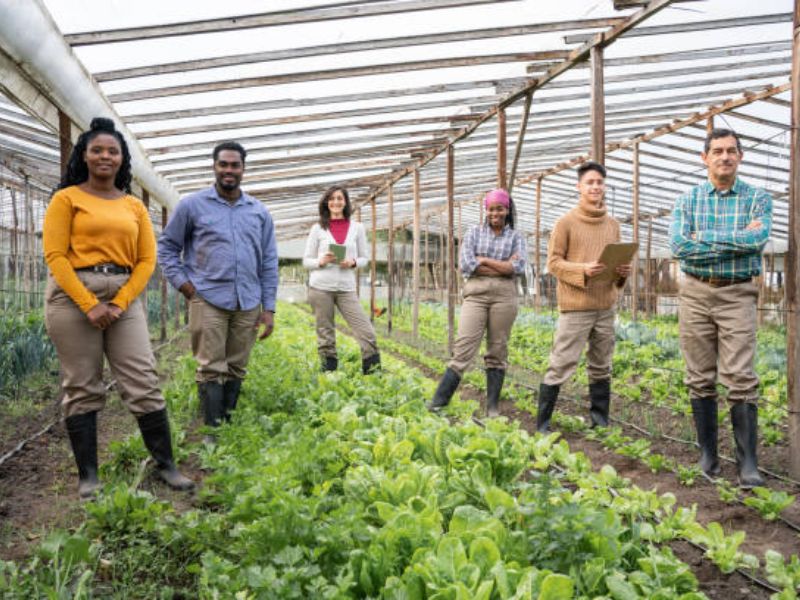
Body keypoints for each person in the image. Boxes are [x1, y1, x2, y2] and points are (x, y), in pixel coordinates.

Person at [43, 117, 194, 498]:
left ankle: (167, 466)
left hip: (123, 293)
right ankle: (89, 477)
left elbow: (146, 260)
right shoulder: (66, 199)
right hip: (74, 294)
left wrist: (120, 302)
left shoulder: (134, 206)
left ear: (122, 158)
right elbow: (56, 257)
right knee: (81, 384)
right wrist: (90, 304)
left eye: (113, 151)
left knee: (143, 380)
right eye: (98, 150)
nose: (105, 156)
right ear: (85, 155)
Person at [669, 128, 771, 488]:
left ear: (740, 157)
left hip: (738, 293)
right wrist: (736, 240)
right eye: (717, 151)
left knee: (741, 376)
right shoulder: (688, 201)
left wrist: (705, 238)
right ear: (705, 158)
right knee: (699, 376)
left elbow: (757, 240)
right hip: (695, 292)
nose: (724, 156)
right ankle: (708, 455)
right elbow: (680, 247)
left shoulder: (757, 199)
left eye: (731, 151)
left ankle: (748, 464)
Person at [158, 141, 278, 441]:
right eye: (223, 164)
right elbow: (167, 248)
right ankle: (212, 432)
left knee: (237, 365)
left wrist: (269, 307)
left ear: (243, 169)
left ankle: (227, 423)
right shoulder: (192, 205)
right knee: (211, 366)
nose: (229, 170)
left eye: (234, 165)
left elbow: (269, 261)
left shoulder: (258, 212)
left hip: (248, 300)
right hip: (208, 297)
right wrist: (186, 287)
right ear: (214, 166)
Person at [536, 162, 631, 433]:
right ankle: (542, 424)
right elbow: (553, 263)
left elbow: (616, 268)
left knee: (602, 364)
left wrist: (622, 272)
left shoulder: (612, 225)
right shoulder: (565, 223)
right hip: (576, 307)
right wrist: (583, 270)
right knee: (562, 362)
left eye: (600, 182)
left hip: (605, 305)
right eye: (590, 182)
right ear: (579, 186)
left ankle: (600, 422)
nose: (596, 187)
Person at [428, 188, 526, 417]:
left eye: (499, 208)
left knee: (498, 349)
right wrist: (502, 266)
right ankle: (438, 402)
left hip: (505, 297)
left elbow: (518, 268)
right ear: (486, 210)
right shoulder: (473, 232)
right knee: (463, 347)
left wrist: (483, 260)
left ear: (507, 209)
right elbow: (465, 264)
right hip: (476, 295)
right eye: (491, 208)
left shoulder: (516, 237)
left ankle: (492, 407)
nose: (495, 213)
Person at [302, 185, 381, 374]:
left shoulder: (357, 228)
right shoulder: (318, 228)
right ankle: (329, 374)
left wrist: (352, 262)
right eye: (332, 198)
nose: (336, 202)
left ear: (345, 202)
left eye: (340, 198)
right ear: (326, 203)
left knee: (366, 331)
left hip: (346, 288)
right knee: (325, 332)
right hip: (320, 287)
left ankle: (373, 374)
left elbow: (364, 258)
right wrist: (321, 261)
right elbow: (306, 261)